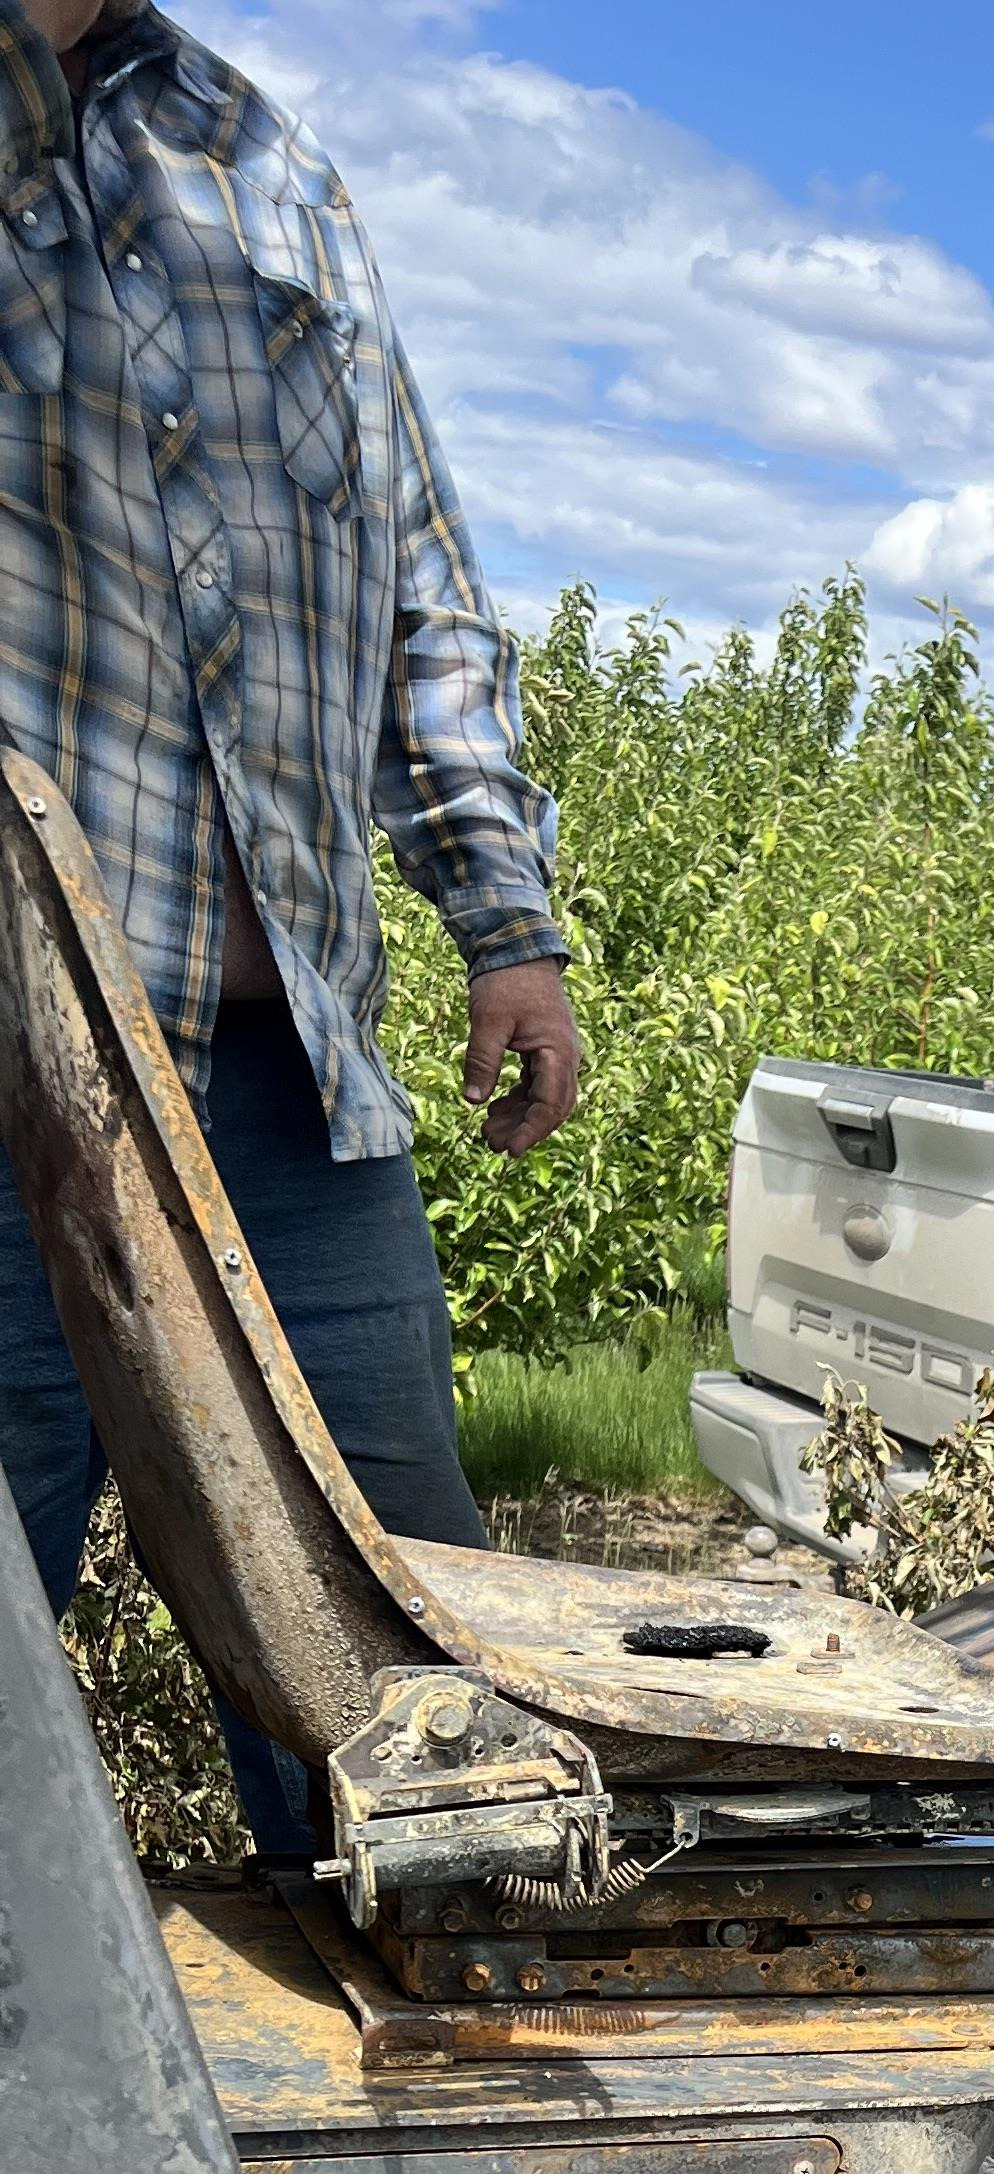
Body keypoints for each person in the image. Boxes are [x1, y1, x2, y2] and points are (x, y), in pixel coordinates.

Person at [0, 0, 578, 1845]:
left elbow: (422, 578)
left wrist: (506, 922)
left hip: (294, 1084)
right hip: (13, 1066)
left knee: (412, 1670)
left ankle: (407, 2021)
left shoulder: (268, 167)